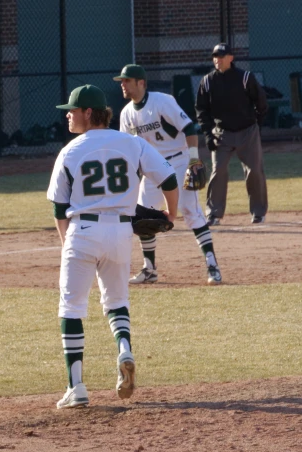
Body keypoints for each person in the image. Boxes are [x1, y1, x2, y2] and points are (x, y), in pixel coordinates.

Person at [47, 84, 179, 409]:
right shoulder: (132, 143)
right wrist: (170, 215)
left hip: (83, 229)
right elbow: (170, 179)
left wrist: (69, 245)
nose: (68, 116)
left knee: (72, 306)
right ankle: (124, 348)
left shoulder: (70, 151)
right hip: (121, 232)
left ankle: (75, 386)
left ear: (88, 113)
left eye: (72, 111)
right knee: (117, 301)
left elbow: (58, 208)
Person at [115, 64, 222, 285]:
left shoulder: (162, 101)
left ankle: (212, 265)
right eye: (122, 81)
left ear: (141, 83)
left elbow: (189, 128)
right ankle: (150, 270)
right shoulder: (126, 114)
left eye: (127, 80)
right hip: (150, 169)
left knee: (191, 212)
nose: (122, 85)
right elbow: (128, 150)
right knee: (143, 217)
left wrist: (193, 158)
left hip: (178, 161)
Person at [195, 43, 268, 225]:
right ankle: (213, 213)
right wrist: (208, 135)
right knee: (218, 170)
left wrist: (257, 124)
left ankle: (258, 212)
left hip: (247, 131)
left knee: (254, 172)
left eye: (221, 56)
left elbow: (261, 101)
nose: (217, 60)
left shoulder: (245, 78)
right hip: (221, 133)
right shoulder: (207, 81)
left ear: (231, 58)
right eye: (214, 57)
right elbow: (201, 109)